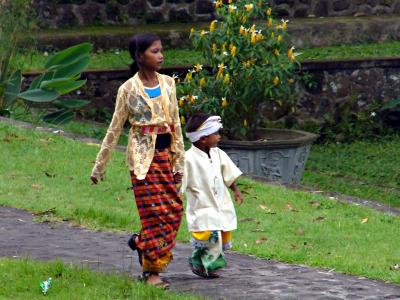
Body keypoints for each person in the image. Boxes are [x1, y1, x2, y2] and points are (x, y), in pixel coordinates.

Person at [90, 33, 185, 289]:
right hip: (143, 161)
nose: (161, 55)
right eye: (155, 51)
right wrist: (99, 166)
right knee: (153, 215)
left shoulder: (168, 84)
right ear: (140, 56)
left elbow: (175, 124)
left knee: (174, 212)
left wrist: (179, 163)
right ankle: (152, 272)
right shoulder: (128, 90)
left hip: (166, 157)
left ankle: (140, 243)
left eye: (161, 50)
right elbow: (114, 129)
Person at [181, 113, 244, 278]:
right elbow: (180, 183)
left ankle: (198, 263)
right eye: (215, 134)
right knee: (210, 239)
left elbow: (227, 173)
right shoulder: (188, 159)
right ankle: (211, 267)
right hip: (203, 208)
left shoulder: (218, 154)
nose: (219, 137)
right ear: (203, 138)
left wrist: (235, 190)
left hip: (221, 206)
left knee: (221, 237)